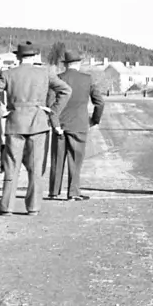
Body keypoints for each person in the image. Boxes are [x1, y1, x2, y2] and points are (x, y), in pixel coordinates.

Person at [0, 40, 71, 216]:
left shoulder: (7, 74)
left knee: (11, 167)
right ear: (35, 56)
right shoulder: (45, 73)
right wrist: (52, 111)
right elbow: (66, 91)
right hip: (38, 123)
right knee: (36, 168)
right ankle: (33, 207)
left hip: (15, 123)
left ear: (18, 56)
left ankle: (6, 206)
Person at [46, 50, 105, 201]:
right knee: (75, 160)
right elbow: (100, 102)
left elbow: (49, 104)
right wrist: (95, 120)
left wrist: (54, 122)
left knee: (57, 159)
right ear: (78, 63)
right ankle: (73, 192)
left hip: (59, 124)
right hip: (79, 124)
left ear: (65, 65)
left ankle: (53, 191)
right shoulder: (88, 79)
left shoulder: (58, 79)